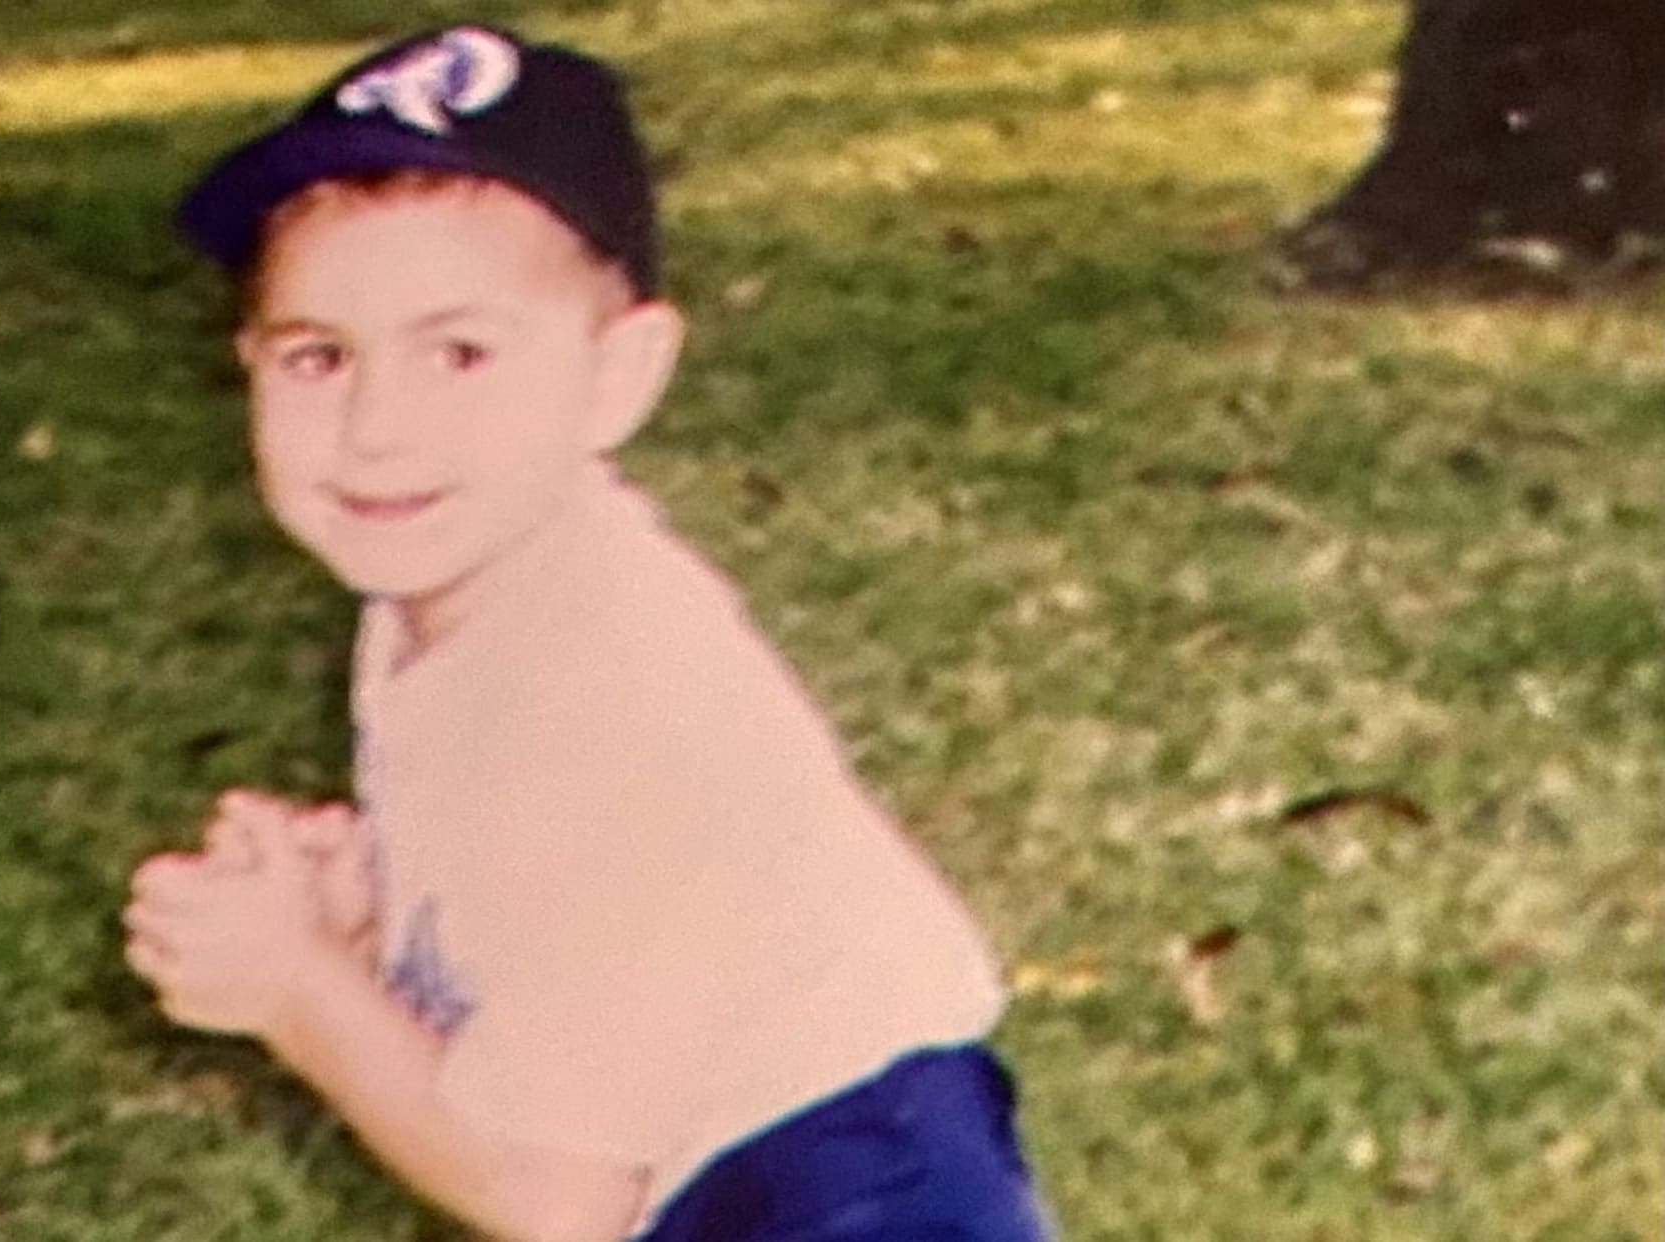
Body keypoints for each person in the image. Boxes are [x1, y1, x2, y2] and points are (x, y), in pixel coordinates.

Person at [121, 25, 1054, 1242]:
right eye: (316, 356)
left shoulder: (606, 697)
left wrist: (300, 990)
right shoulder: (459, 571)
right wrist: (366, 924)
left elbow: (556, 1202)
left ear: (620, 374)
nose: (377, 425)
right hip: (727, 1147)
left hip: (846, 1178)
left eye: (460, 351)